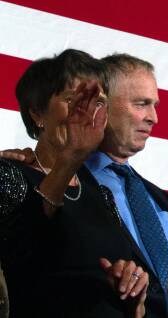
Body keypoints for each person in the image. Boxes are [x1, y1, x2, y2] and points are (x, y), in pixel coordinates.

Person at [0, 49, 154, 317]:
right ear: (37, 112)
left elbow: (131, 279)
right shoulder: (10, 174)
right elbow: (20, 252)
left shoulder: (101, 192)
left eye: (96, 102)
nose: (83, 112)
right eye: (73, 99)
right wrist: (70, 156)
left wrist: (134, 296)